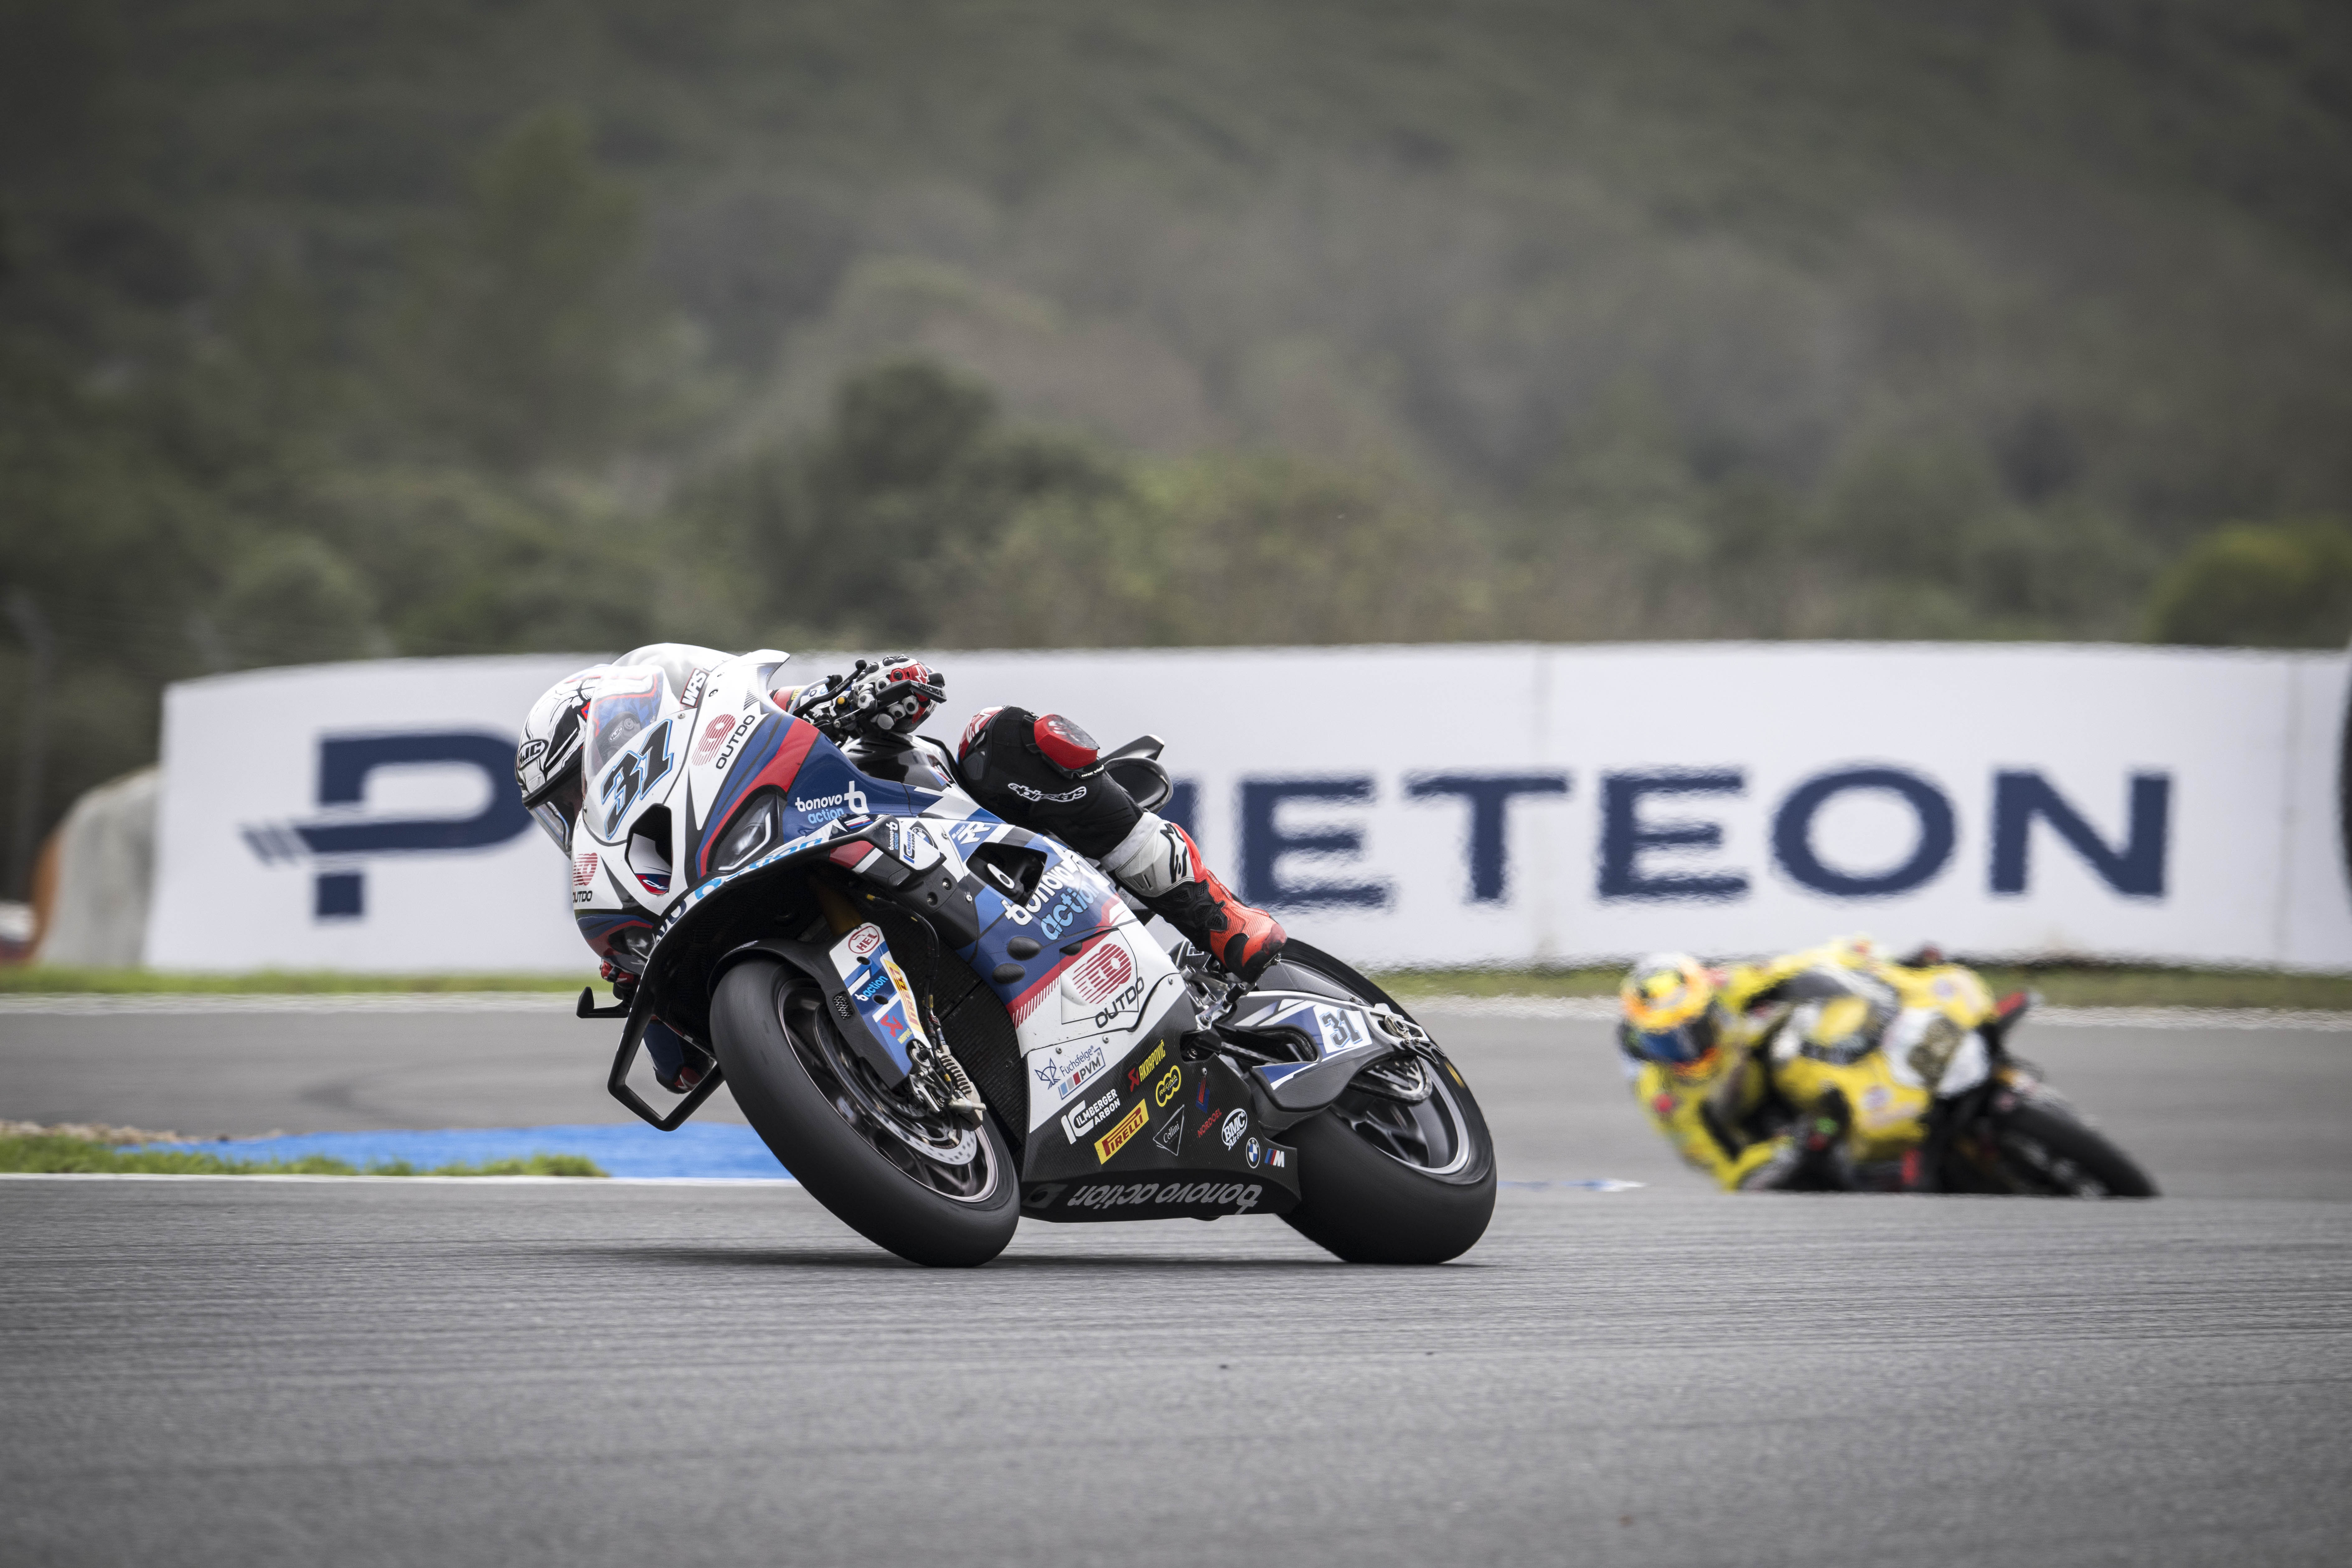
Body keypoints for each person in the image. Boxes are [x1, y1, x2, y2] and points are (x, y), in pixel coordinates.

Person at [515, 647, 1285, 1083]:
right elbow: (681, 1071)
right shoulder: (625, 899)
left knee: (1005, 737)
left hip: (905, 809)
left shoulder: (722, 724)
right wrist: (653, 992)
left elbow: (829, 695)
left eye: (578, 785)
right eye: (563, 808)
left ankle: (1214, 915)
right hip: (781, 897)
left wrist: (875, 689)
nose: (580, 811)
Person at [1616, 938, 1899, 1191]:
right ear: (1641, 1036)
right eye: (1665, 1041)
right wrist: (1791, 1153)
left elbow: (1800, 964)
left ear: (1710, 1006)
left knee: (1802, 1027)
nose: (1687, 1051)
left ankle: (1866, 1089)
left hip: (1761, 1067)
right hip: (1760, 1136)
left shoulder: (1725, 986)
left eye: (1694, 1031)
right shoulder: (1661, 1093)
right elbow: (1727, 1168)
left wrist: (1866, 956)